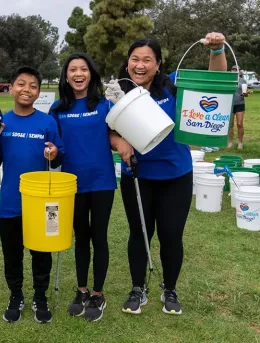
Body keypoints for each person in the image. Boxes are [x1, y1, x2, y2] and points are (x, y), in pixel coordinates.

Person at [106, 32, 227, 315]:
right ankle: (138, 289)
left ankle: (169, 290)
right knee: (139, 234)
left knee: (172, 235)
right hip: (136, 177)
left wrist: (217, 50)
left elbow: (215, 81)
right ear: (127, 64)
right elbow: (110, 130)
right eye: (134, 59)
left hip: (176, 176)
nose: (140, 65)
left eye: (147, 60)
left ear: (158, 65)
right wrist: (118, 142)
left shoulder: (174, 87)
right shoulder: (119, 95)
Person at [0, 66, 64, 324]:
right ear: (10, 88)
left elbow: (58, 158)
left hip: (42, 202)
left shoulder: (47, 122)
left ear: (38, 92)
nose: (26, 89)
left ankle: (40, 297)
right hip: (10, 202)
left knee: (42, 253)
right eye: (21, 84)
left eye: (32, 85)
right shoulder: (1, 122)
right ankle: (15, 295)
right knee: (12, 254)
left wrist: (53, 153)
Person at [49, 53, 116, 322]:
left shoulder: (105, 105)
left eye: (84, 69)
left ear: (91, 74)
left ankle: (98, 293)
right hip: (72, 185)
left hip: (102, 182)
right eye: (73, 69)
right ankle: (82, 289)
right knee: (81, 237)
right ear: (66, 76)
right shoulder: (57, 109)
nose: (78, 73)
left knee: (99, 236)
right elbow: (57, 150)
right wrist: (52, 153)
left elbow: (119, 135)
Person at [228, 65, 250, 149]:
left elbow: (246, 93)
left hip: (240, 103)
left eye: (237, 69)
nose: (235, 70)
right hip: (230, 104)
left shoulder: (242, 80)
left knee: (240, 124)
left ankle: (240, 143)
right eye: (233, 69)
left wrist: (246, 93)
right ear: (231, 71)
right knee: (230, 124)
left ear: (240, 71)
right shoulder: (228, 80)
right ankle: (230, 142)